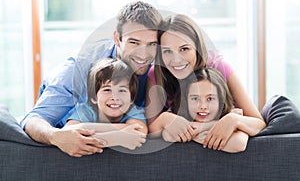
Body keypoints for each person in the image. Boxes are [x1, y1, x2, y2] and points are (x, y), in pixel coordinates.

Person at [20, 1, 163, 157]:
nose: (143, 54)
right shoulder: (80, 67)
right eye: (134, 42)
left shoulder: (159, 65)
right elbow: (34, 119)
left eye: (151, 44)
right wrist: (56, 137)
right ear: (117, 38)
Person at [145, 14, 266, 151]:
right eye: (167, 51)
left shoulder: (219, 66)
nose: (176, 60)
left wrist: (233, 120)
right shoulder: (157, 74)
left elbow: (259, 123)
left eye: (184, 49)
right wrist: (164, 119)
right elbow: (151, 129)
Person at [65, 58, 147, 150]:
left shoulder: (133, 111)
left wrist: (84, 128)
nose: (115, 97)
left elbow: (139, 132)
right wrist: (119, 137)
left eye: (122, 90)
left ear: (131, 98)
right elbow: (68, 132)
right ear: (94, 97)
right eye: (107, 90)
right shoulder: (86, 110)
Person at [162, 67, 248, 153]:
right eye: (195, 99)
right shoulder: (176, 116)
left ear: (221, 100)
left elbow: (239, 143)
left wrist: (196, 131)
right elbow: (167, 135)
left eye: (210, 99)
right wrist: (210, 125)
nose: (203, 106)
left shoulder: (229, 117)